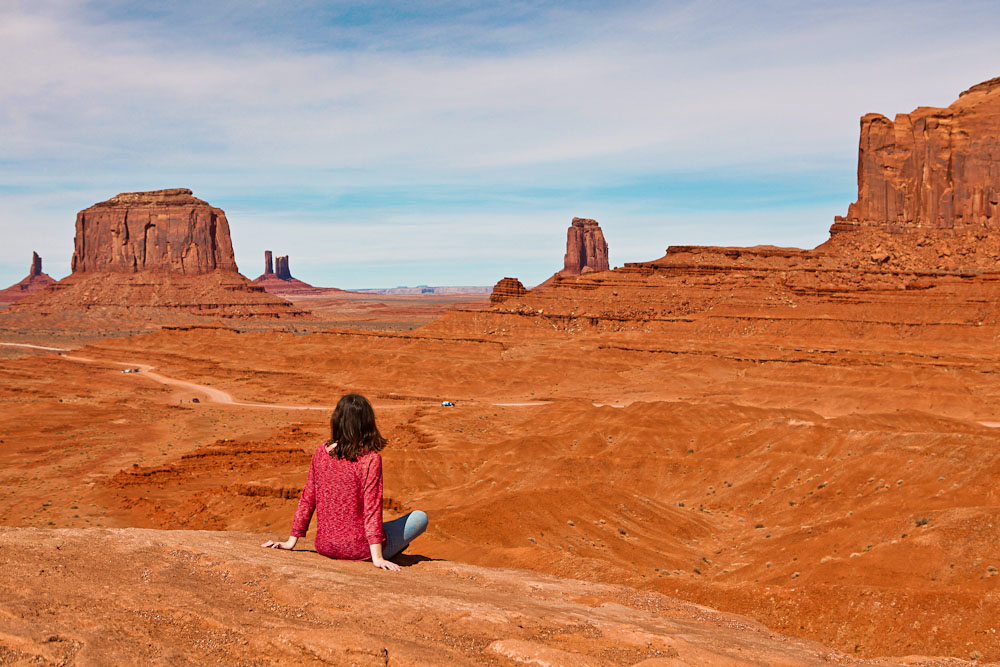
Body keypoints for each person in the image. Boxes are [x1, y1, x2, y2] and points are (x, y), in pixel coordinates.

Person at [261, 393, 428, 571]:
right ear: (367, 423)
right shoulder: (370, 459)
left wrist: (290, 542)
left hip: (325, 546)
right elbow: (372, 509)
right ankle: (385, 550)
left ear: (337, 421)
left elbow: (308, 498)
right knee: (419, 517)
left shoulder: (321, 453)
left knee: (385, 527)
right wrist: (377, 558)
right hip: (359, 549)